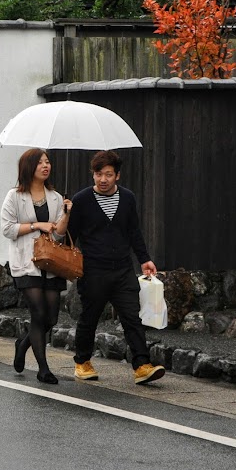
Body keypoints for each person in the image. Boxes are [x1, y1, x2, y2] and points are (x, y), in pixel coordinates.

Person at [67, 150, 165, 385]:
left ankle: (142, 365)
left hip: (123, 269)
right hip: (93, 270)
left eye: (108, 174)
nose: (102, 179)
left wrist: (145, 258)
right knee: (89, 317)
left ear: (117, 176)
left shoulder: (128, 198)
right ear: (93, 175)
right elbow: (71, 235)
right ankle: (82, 362)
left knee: (132, 317)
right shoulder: (81, 200)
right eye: (98, 174)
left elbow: (134, 231)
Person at [0, 148, 72, 385]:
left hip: (51, 263)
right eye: (40, 162)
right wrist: (36, 225)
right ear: (29, 167)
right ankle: (43, 368)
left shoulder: (56, 197)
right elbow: (7, 229)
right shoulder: (14, 196)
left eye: (47, 162)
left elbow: (60, 235)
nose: (45, 165)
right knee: (38, 313)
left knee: (50, 318)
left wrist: (66, 215)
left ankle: (23, 344)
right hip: (26, 262)